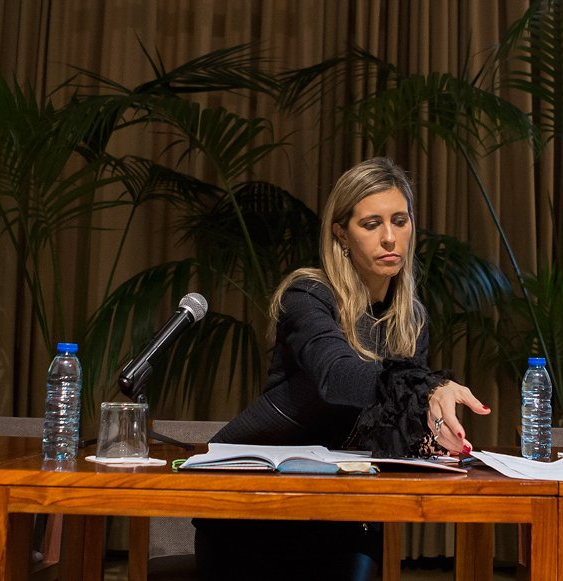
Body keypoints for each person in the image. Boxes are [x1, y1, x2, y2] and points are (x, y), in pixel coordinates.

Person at [194, 156, 489, 580]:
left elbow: (392, 423)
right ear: (341, 234)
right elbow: (336, 377)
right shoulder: (307, 296)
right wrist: (427, 388)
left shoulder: (410, 319)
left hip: (346, 501)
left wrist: (431, 433)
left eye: (400, 221)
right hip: (255, 498)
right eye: (371, 224)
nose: (390, 238)